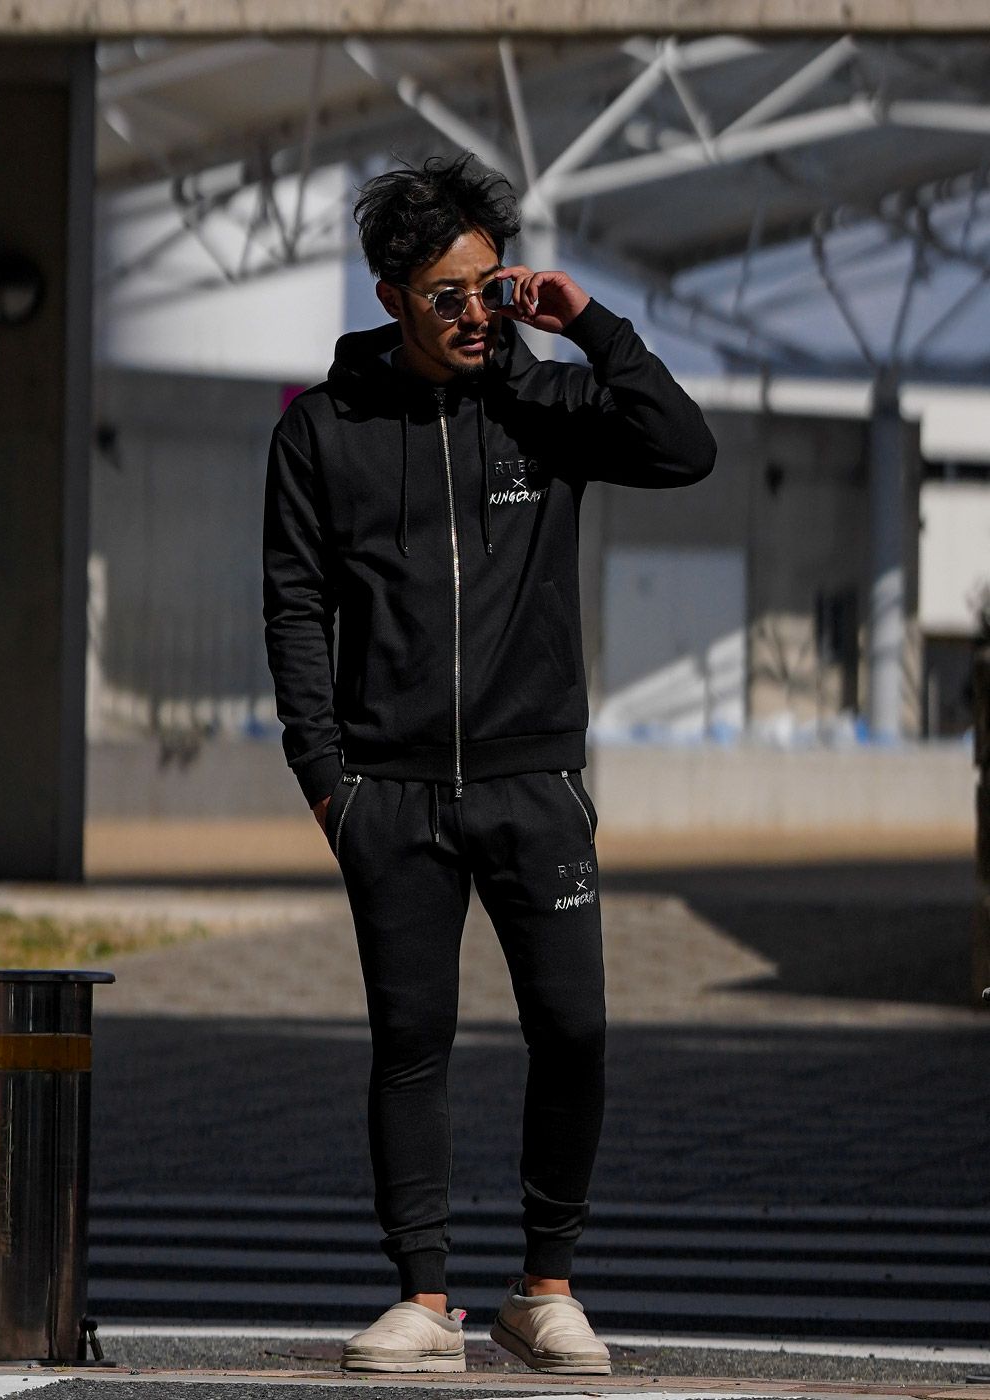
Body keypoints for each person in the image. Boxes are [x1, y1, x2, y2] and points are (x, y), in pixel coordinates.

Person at [263, 152, 716, 1376]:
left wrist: (586, 322)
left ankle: (544, 1288)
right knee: (411, 1039)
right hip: (388, 790)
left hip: (534, 782)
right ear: (390, 296)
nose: (477, 312)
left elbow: (685, 448)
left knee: (573, 1029)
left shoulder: (545, 402)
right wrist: (329, 783)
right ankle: (424, 1299)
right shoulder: (321, 430)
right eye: (448, 295)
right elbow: (294, 608)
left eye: (488, 285)